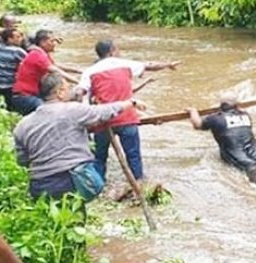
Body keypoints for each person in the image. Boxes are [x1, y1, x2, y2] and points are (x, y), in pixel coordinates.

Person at [13, 72, 145, 201]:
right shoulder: (72, 110)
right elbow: (103, 112)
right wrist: (130, 103)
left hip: (39, 185)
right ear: (60, 92)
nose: (71, 91)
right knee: (75, 217)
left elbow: (22, 161)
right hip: (70, 181)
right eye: (68, 88)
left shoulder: (22, 125)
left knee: (51, 219)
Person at [74, 39, 180, 183]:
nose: (119, 52)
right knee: (133, 155)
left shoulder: (89, 71)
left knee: (100, 157)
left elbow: (80, 92)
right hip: (126, 117)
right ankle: (138, 184)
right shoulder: (124, 64)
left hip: (102, 119)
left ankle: (98, 186)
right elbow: (149, 65)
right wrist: (167, 65)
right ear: (112, 51)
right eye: (117, 49)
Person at [186, 92, 256, 184]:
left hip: (243, 162)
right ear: (237, 105)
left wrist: (192, 111)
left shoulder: (214, 118)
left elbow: (197, 124)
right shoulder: (246, 116)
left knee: (254, 176)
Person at [11, 29, 78, 116]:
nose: (55, 43)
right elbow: (56, 70)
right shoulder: (37, 54)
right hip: (24, 96)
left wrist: (78, 71)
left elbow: (57, 66)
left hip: (30, 94)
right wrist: (77, 81)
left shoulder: (41, 53)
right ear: (43, 42)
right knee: (48, 113)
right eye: (52, 41)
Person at [0, 28, 27, 110]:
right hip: (7, 86)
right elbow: (32, 61)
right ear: (10, 39)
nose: (21, 39)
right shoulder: (17, 51)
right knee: (9, 108)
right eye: (18, 37)